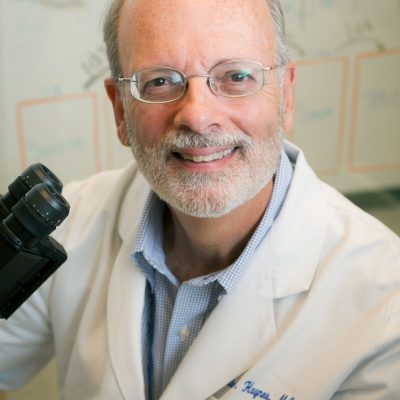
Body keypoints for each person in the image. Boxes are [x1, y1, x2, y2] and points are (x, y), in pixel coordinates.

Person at [1, 0, 400, 398]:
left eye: (236, 76)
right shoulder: (70, 228)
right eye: (159, 81)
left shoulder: (385, 300)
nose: (197, 114)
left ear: (286, 95)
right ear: (121, 110)